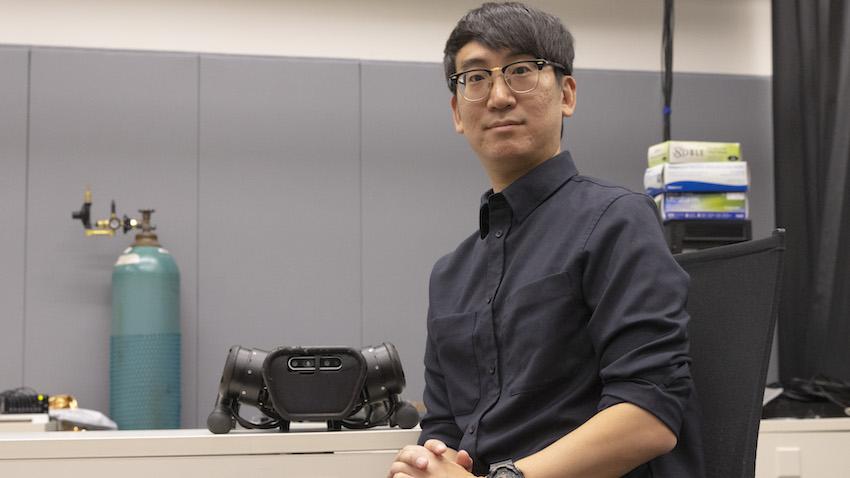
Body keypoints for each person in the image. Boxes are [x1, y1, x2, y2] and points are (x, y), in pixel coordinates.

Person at [388, 3, 704, 478]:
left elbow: (649, 414)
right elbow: (445, 428)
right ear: (457, 110)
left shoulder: (617, 222)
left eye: (521, 71)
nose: (498, 96)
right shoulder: (450, 275)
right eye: (475, 78)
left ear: (567, 94)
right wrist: (426, 463)